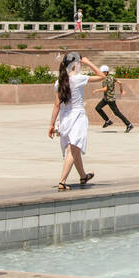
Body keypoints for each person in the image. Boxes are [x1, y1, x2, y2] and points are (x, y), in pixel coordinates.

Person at [48, 52, 103, 190]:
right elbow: (102, 76)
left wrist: (51, 124)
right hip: (77, 117)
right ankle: (62, 181)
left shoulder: (59, 82)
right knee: (73, 149)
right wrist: (88, 62)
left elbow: (56, 105)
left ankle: (83, 176)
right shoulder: (78, 78)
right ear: (75, 65)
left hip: (65, 118)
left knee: (74, 148)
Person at [94, 65, 133, 132]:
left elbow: (105, 89)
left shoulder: (105, 79)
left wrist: (97, 90)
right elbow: (120, 82)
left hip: (110, 99)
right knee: (98, 108)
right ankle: (107, 121)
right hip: (106, 98)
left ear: (106, 72)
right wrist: (122, 90)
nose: (100, 73)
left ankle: (129, 124)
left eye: (102, 72)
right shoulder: (111, 77)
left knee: (117, 113)